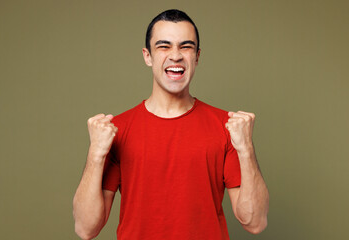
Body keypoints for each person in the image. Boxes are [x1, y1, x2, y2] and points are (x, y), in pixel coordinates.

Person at [73, 9, 269, 240]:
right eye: (164, 46)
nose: (175, 55)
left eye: (185, 46)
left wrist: (246, 149)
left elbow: (255, 222)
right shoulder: (117, 130)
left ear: (197, 56)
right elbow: (86, 229)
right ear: (148, 56)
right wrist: (96, 154)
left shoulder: (227, 127)